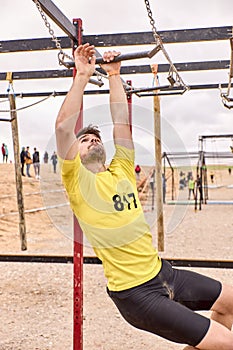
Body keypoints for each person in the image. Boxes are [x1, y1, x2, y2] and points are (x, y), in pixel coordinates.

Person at [56, 43, 233, 350]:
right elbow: (62, 128)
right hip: (136, 294)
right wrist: (83, 75)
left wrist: (113, 76)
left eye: (95, 137)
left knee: (229, 302)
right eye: (84, 140)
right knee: (226, 343)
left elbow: (122, 125)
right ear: (75, 152)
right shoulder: (78, 181)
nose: (92, 140)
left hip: (162, 273)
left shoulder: (121, 168)